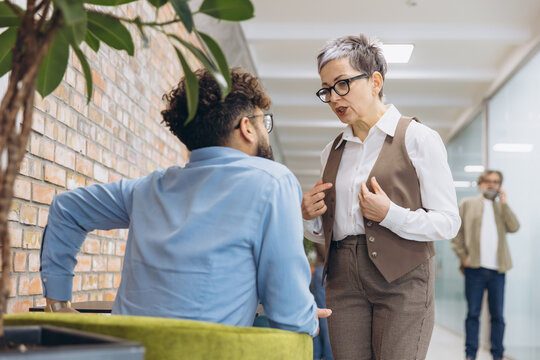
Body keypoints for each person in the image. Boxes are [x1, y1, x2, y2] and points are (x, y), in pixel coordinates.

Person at [39, 68, 330, 336]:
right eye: (263, 121)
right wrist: (305, 317)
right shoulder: (273, 182)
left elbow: (67, 208)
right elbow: (288, 314)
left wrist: (58, 303)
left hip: (123, 351)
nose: (266, 130)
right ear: (247, 127)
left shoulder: (145, 189)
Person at [301, 34, 461, 359]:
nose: (333, 97)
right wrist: (308, 217)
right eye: (326, 89)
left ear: (375, 81)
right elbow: (328, 229)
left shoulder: (419, 139)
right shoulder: (329, 152)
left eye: (342, 84)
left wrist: (390, 214)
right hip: (343, 278)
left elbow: (448, 223)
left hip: (403, 275)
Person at [451, 170, 519, 360]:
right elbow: (456, 234)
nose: (492, 185)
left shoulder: (500, 208)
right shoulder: (467, 204)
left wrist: (504, 204)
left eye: (496, 182)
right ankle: (470, 354)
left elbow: (514, 227)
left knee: (497, 316)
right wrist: (463, 256)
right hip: (475, 268)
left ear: (500, 186)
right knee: (473, 314)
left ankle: (497, 354)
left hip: (498, 270)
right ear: (481, 183)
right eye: (488, 181)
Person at [310, 243, 333, 360]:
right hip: (326, 271)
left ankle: (317, 355)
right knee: (327, 318)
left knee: (319, 316)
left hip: (321, 270)